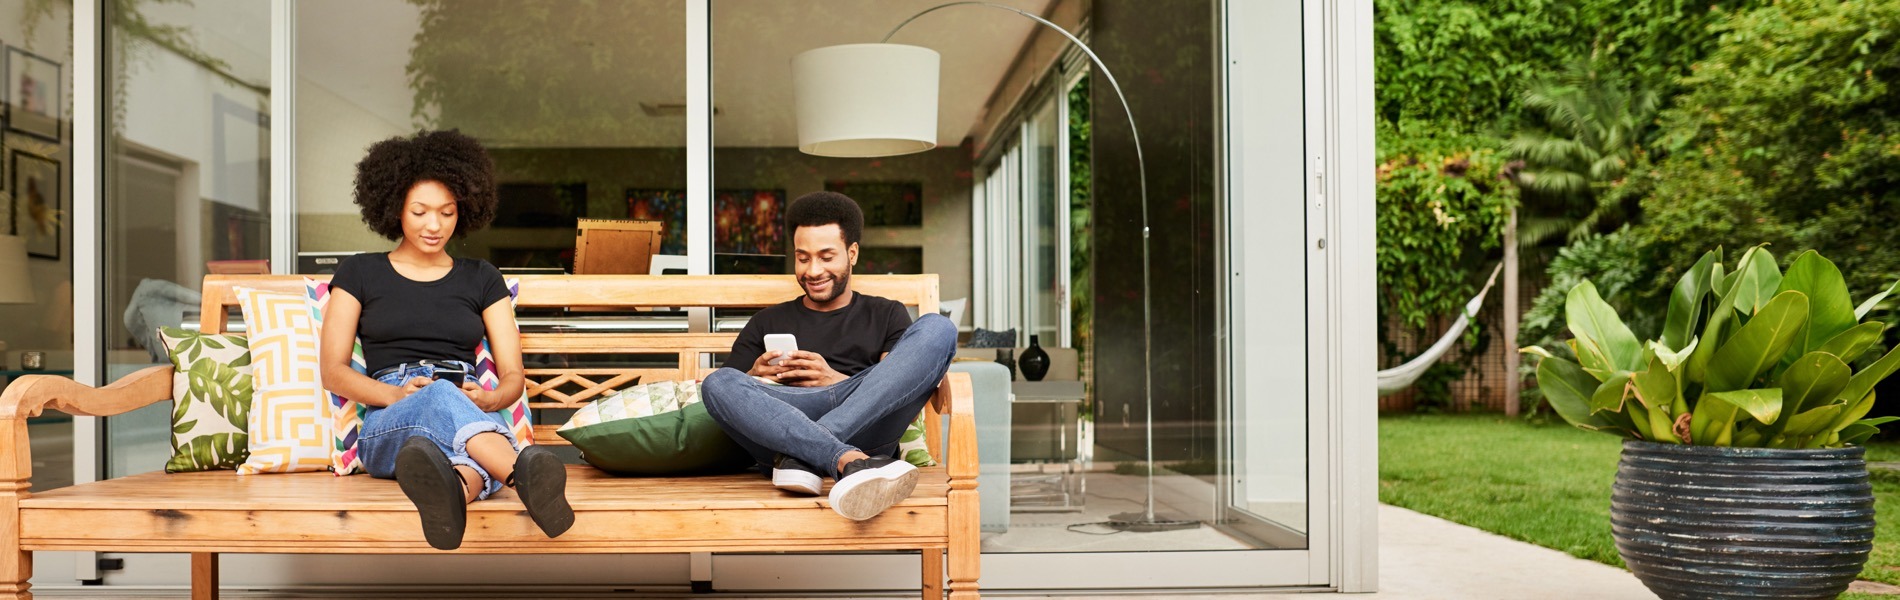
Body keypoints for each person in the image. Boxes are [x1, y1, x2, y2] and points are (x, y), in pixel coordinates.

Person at [318, 130, 572, 551]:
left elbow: (511, 374)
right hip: (389, 422)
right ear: (394, 207)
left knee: (459, 451)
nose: (434, 225)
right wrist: (397, 395)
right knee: (440, 397)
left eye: (447, 212)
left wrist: (490, 400)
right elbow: (333, 371)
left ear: (464, 211)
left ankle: (454, 491)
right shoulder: (360, 273)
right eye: (419, 211)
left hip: (465, 412)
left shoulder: (482, 277)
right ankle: (522, 474)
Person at [700, 191, 957, 521]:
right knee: (718, 382)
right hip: (785, 426)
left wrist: (836, 381)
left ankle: (805, 458)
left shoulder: (886, 314)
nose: (813, 270)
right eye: (803, 258)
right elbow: (728, 400)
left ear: (852, 254)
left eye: (826, 256)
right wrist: (756, 376)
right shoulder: (767, 320)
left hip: (864, 429)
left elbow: (895, 388)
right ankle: (848, 461)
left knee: (938, 328)